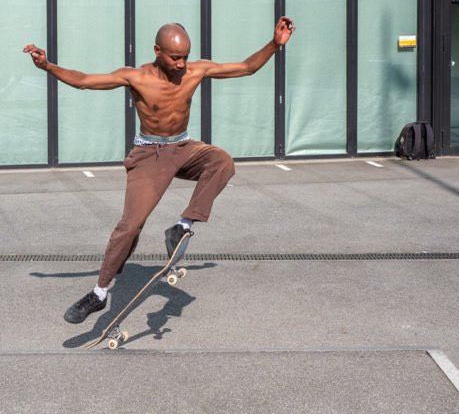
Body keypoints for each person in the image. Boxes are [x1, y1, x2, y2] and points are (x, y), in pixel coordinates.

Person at [23, 17, 295, 323]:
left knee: (222, 161)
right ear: (157, 50)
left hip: (183, 147)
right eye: (174, 57)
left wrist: (274, 44)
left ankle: (182, 224)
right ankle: (99, 293)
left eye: (185, 57)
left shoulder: (197, 70)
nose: (181, 65)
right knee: (130, 227)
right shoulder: (136, 77)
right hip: (149, 154)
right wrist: (48, 66)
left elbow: (246, 67)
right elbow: (85, 80)